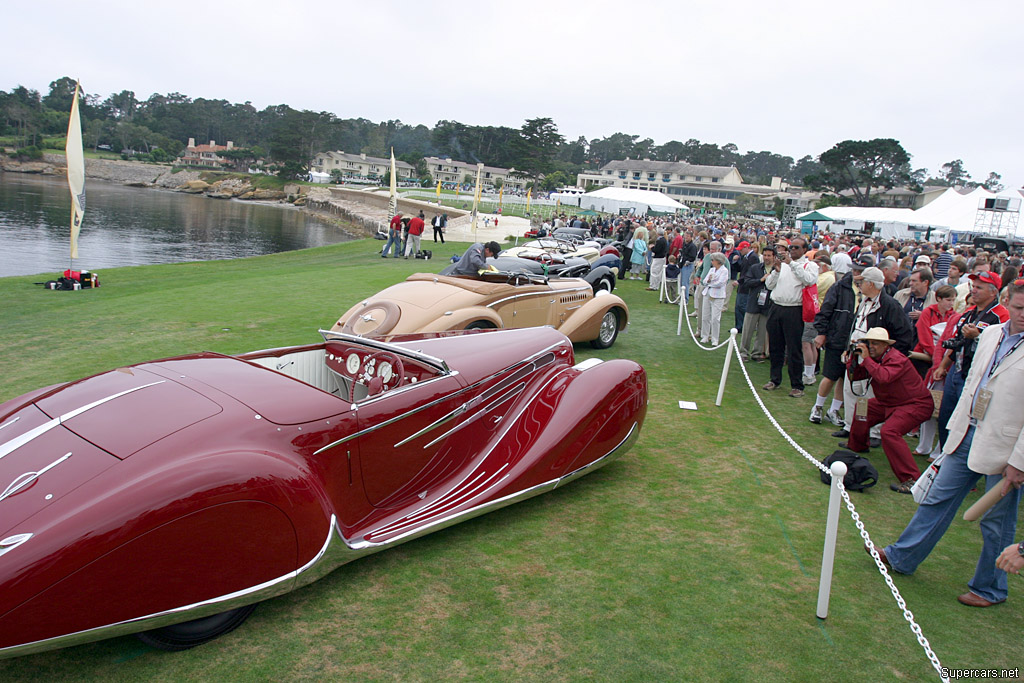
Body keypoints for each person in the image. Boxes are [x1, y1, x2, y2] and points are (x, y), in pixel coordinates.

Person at [875, 281, 1024, 607]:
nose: (1023, 315)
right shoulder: (990, 334)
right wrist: (955, 430)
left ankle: (990, 589)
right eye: (1019, 307)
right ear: (1007, 304)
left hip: (1008, 448)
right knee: (937, 498)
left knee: (995, 521)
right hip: (968, 433)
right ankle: (902, 556)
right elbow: (973, 384)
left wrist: (1020, 462)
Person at [840, 328, 933, 492]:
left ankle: (912, 479)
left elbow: (883, 377)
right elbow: (857, 376)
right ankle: (858, 445)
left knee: (889, 432)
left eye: (875, 343)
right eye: (869, 343)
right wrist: (853, 360)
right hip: (889, 402)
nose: (871, 347)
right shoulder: (876, 357)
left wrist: (867, 359)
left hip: (915, 404)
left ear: (885, 345)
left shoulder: (897, 359)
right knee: (863, 408)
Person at [932, 271, 1010, 448]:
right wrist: (943, 365)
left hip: (977, 375)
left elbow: (1003, 347)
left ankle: (960, 456)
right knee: (946, 415)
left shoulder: (1001, 316)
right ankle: (944, 454)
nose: (973, 291)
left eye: (979, 287)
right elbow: (958, 342)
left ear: (993, 292)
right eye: (973, 287)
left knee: (965, 418)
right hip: (957, 371)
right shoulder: (969, 313)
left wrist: (978, 336)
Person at [764, 237, 819, 398]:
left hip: (794, 309)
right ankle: (775, 379)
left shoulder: (809, 265)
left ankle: (797, 384)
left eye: (796, 247)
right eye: (791, 247)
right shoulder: (783, 266)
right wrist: (776, 270)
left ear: (804, 250)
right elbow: (769, 285)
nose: (792, 250)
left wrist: (791, 264)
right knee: (775, 346)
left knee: (794, 348)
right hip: (776, 307)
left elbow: (809, 280)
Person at [739, 245, 773, 362]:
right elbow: (747, 282)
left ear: (773, 257)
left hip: (768, 304)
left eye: (769, 255)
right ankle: (743, 352)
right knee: (748, 329)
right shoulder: (755, 268)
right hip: (754, 302)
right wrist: (760, 280)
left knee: (762, 331)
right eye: (765, 255)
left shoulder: (777, 270)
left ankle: (757, 353)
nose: (767, 257)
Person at [700, 252, 730, 345]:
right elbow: (704, 281)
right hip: (707, 294)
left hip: (718, 296)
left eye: (713, 260)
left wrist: (710, 283)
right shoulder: (712, 270)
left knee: (715, 318)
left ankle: (715, 338)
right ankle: (705, 335)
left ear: (718, 261)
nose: (712, 262)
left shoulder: (724, 271)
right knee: (705, 316)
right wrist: (708, 281)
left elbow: (720, 283)